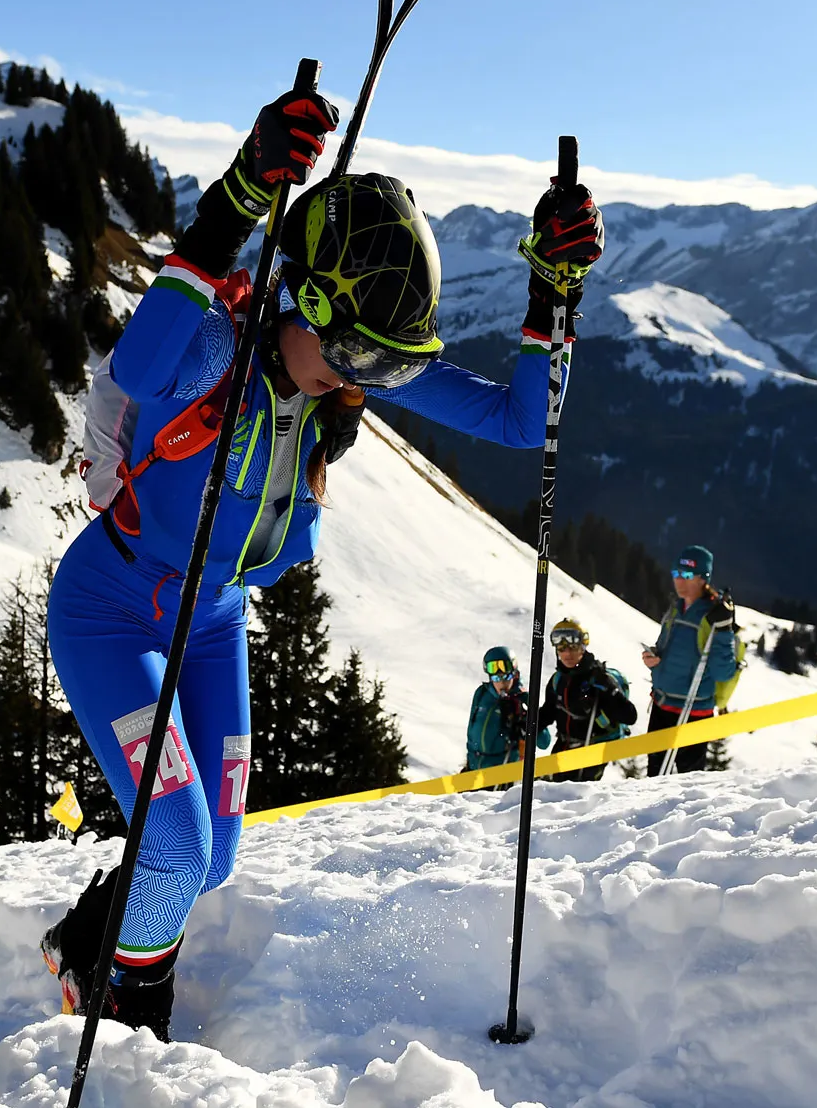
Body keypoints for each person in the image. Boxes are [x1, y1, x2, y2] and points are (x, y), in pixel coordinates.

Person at [40, 79, 604, 1041]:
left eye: (388, 366)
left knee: (212, 856)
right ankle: (125, 1006)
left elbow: (517, 421)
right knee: (176, 847)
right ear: (300, 300)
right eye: (358, 357)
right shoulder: (214, 349)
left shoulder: (347, 357)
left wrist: (550, 295)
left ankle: (90, 937)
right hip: (113, 606)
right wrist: (238, 198)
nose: (368, 381)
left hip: (211, 615)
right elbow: (136, 366)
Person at [640, 546, 738, 775]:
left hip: (694, 710)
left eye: (686, 575)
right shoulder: (676, 608)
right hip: (662, 704)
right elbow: (666, 647)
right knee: (654, 775)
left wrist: (724, 629)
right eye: (676, 574)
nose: (679, 581)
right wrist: (655, 658)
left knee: (688, 780)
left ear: (703, 578)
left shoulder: (714, 615)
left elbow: (724, 673)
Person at [544, 618, 638, 781]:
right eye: (561, 648)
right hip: (563, 747)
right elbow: (548, 712)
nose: (567, 653)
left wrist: (609, 690)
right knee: (557, 796)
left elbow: (629, 716)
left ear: (583, 646)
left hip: (593, 749)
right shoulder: (558, 681)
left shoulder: (598, 679)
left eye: (573, 647)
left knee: (578, 798)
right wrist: (526, 726)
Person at [464, 646, 547, 771]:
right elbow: (472, 730)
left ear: (514, 673)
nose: (501, 683)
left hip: (502, 772)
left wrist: (527, 722)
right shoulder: (482, 694)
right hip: (474, 769)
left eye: (506, 677)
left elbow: (544, 742)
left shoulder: (523, 700)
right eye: (496, 678)